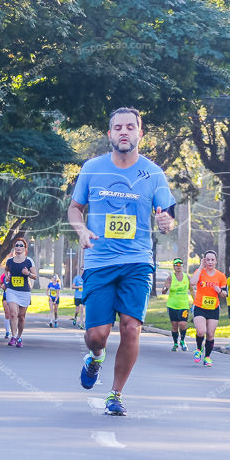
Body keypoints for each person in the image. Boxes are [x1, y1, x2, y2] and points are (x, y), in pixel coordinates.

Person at [69, 107, 175, 416]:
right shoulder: (92, 168)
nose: (124, 132)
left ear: (141, 134)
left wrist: (166, 220)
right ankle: (96, 357)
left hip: (137, 261)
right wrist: (82, 229)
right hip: (100, 261)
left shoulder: (153, 173)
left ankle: (115, 394)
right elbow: (75, 208)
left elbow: (166, 211)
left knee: (131, 328)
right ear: (110, 134)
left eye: (131, 127)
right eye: (118, 127)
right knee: (96, 335)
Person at [191, 251, 228, 366]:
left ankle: (207, 357)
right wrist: (200, 267)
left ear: (216, 261)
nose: (210, 262)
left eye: (212, 260)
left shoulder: (221, 276)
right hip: (199, 306)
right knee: (201, 331)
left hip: (213, 308)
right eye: (208, 260)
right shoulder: (200, 272)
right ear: (204, 260)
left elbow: (225, 294)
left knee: (210, 334)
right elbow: (192, 283)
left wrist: (220, 291)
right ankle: (198, 349)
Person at [4, 237, 35, 347]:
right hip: (12, 290)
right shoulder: (9, 261)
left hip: (24, 292)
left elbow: (35, 276)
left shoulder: (29, 261)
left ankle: (19, 337)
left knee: (21, 317)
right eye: (17, 245)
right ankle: (13, 336)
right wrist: (7, 276)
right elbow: (6, 270)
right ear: (14, 247)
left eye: (21, 245)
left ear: (25, 248)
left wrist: (28, 274)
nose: (19, 247)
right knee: (13, 313)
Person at [161, 258, 191, 351]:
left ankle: (182, 340)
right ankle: (175, 343)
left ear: (182, 266)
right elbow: (163, 291)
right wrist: (166, 288)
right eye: (176, 265)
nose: (178, 266)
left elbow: (192, 290)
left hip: (184, 305)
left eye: (180, 265)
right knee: (174, 325)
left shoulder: (187, 277)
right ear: (174, 267)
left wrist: (195, 301)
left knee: (182, 324)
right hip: (172, 305)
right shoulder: (170, 277)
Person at [0, 265, 12, 338]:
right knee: (7, 313)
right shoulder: (3, 275)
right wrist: (2, 286)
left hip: (15, 297)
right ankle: (7, 332)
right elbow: (1, 284)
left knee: (13, 314)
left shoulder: (16, 274)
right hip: (6, 296)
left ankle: (14, 331)